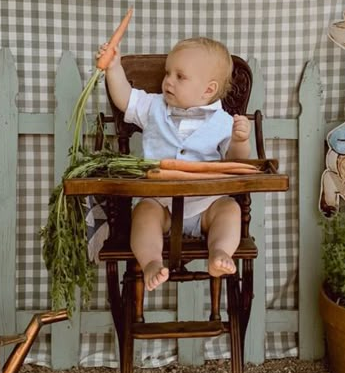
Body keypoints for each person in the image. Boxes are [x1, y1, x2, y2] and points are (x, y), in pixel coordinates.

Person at [99, 37, 251, 290]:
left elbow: (237, 162)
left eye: (180, 76)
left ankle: (220, 251)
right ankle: (151, 262)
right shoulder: (153, 107)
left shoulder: (223, 122)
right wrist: (113, 67)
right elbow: (125, 99)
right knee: (144, 214)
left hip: (207, 205)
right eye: (168, 73)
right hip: (162, 205)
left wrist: (239, 139)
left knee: (230, 210)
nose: (168, 80)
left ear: (208, 90)